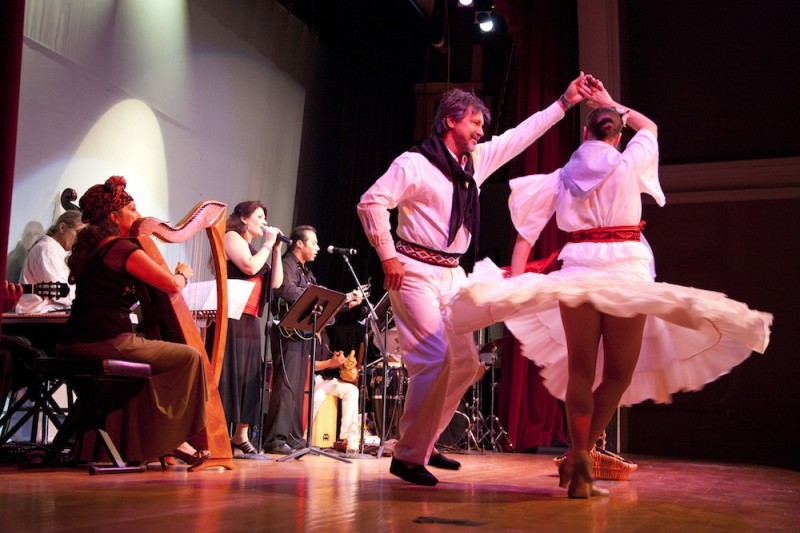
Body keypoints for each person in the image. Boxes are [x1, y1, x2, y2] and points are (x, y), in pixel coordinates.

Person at [441, 80, 773, 497]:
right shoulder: (629, 161)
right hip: (625, 275)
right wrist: (610, 104)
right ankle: (582, 453)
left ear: (584, 134)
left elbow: (526, 234)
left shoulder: (561, 177)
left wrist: (520, 284)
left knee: (580, 370)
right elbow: (649, 126)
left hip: (578, 272)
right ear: (616, 135)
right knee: (618, 373)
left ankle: (580, 455)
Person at [357, 74, 592, 486]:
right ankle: (407, 456)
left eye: (483, 126)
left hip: (452, 273)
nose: (481, 132)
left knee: (466, 363)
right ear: (450, 121)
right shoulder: (414, 164)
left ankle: (424, 444)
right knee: (434, 358)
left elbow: (521, 136)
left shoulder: (475, 164)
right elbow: (371, 202)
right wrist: (387, 256)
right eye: (474, 124)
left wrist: (565, 102)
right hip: (412, 271)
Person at [56, 176, 210, 467]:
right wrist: (183, 274)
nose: (139, 217)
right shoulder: (121, 249)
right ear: (114, 217)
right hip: (106, 342)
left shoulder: (93, 249)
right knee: (190, 357)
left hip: (75, 341)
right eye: (133, 210)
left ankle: (157, 444)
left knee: (152, 362)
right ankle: (173, 440)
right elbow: (171, 285)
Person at [263, 225, 363, 454]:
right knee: (286, 386)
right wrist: (318, 296)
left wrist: (346, 303)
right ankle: (275, 440)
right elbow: (286, 290)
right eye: (314, 243)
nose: (317, 248)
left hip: (301, 332)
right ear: (299, 243)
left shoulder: (305, 271)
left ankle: (295, 437)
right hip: (286, 331)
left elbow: (319, 304)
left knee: (299, 388)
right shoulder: (287, 264)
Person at [214, 200, 284, 455]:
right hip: (232, 316)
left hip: (251, 318)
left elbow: (275, 282)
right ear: (243, 218)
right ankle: (218, 432)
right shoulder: (232, 237)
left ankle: (240, 435)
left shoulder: (257, 248)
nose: (264, 222)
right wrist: (266, 245)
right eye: (259, 217)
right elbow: (248, 267)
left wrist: (275, 250)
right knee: (229, 375)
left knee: (249, 379)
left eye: (265, 218)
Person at [17, 210, 85, 314]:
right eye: (78, 233)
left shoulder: (61, 251)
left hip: (54, 313)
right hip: (38, 317)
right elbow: (61, 295)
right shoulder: (47, 249)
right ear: (62, 228)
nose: (80, 240)